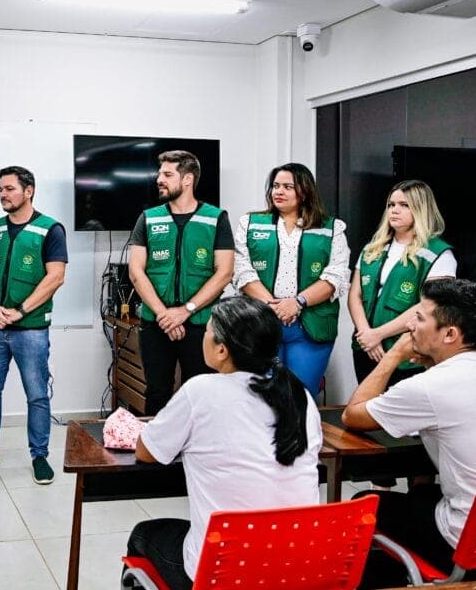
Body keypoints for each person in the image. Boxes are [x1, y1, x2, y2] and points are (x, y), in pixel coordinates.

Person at [127, 296, 322, 590]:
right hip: (294, 569)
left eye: (207, 331)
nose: (202, 336)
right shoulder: (299, 395)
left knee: (143, 534)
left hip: (223, 573)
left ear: (221, 349)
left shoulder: (200, 392)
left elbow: (147, 452)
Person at [343, 278, 476, 588]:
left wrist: (394, 355)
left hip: (463, 546)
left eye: (420, 318)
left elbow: (353, 415)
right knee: (423, 495)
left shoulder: (431, 387)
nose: (410, 324)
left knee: (365, 502)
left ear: (450, 334)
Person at [0, 165, 67, 485]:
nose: (3, 195)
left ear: (28, 191)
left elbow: (56, 277)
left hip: (30, 330)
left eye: (9, 189)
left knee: (36, 395)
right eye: (0, 190)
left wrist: (20, 311)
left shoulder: (50, 229)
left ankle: (40, 456)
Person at [128, 150, 234, 415]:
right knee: (157, 392)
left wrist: (185, 310)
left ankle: (196, 453)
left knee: (200, 393)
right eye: (160, 174)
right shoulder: (149, 218)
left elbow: (224, 273)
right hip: (156, 324)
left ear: (187, 179)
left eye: (167, 174)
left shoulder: (216, 218)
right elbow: (136, 272)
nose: (159, 180)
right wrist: (165, 315)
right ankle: (154, 453)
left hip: (200, 325)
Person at [232, 162, 350, 397]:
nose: (279, 192)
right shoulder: (250, 223)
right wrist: (272, 305)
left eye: (287, 187)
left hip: (310, 325)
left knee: (301, 393)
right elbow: (241, 268)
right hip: (261, 321)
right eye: (275, 186)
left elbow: (336, 275)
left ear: (304, 191)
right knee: (258, 394)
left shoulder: (331, 228)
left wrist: (296, 303)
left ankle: (302, 435)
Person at [348, 179, 455, 387]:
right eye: (391, 205)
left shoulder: (439, 253)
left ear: (421, 209)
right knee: (365, 411)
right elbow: (355, 295)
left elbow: (429, 305)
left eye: (404, 205)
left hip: (409, 353)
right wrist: (367, 336)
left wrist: (378, 334)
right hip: (366, 348)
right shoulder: (372, 248)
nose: (395, 210)